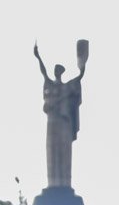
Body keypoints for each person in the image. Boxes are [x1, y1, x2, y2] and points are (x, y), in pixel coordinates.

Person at [33, 40, 88, 189]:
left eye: (59, 70)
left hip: (64, 123)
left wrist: (83, 65)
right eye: (56, 70)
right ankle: (52, 184)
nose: (56, 72)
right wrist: (38, 57)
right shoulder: (50, 84)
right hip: (52, 123)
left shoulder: (67, 87)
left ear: (61, 72)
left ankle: (65, 184)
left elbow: (80, 77)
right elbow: (43, 72)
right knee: (52, 152)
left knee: (64, 152)